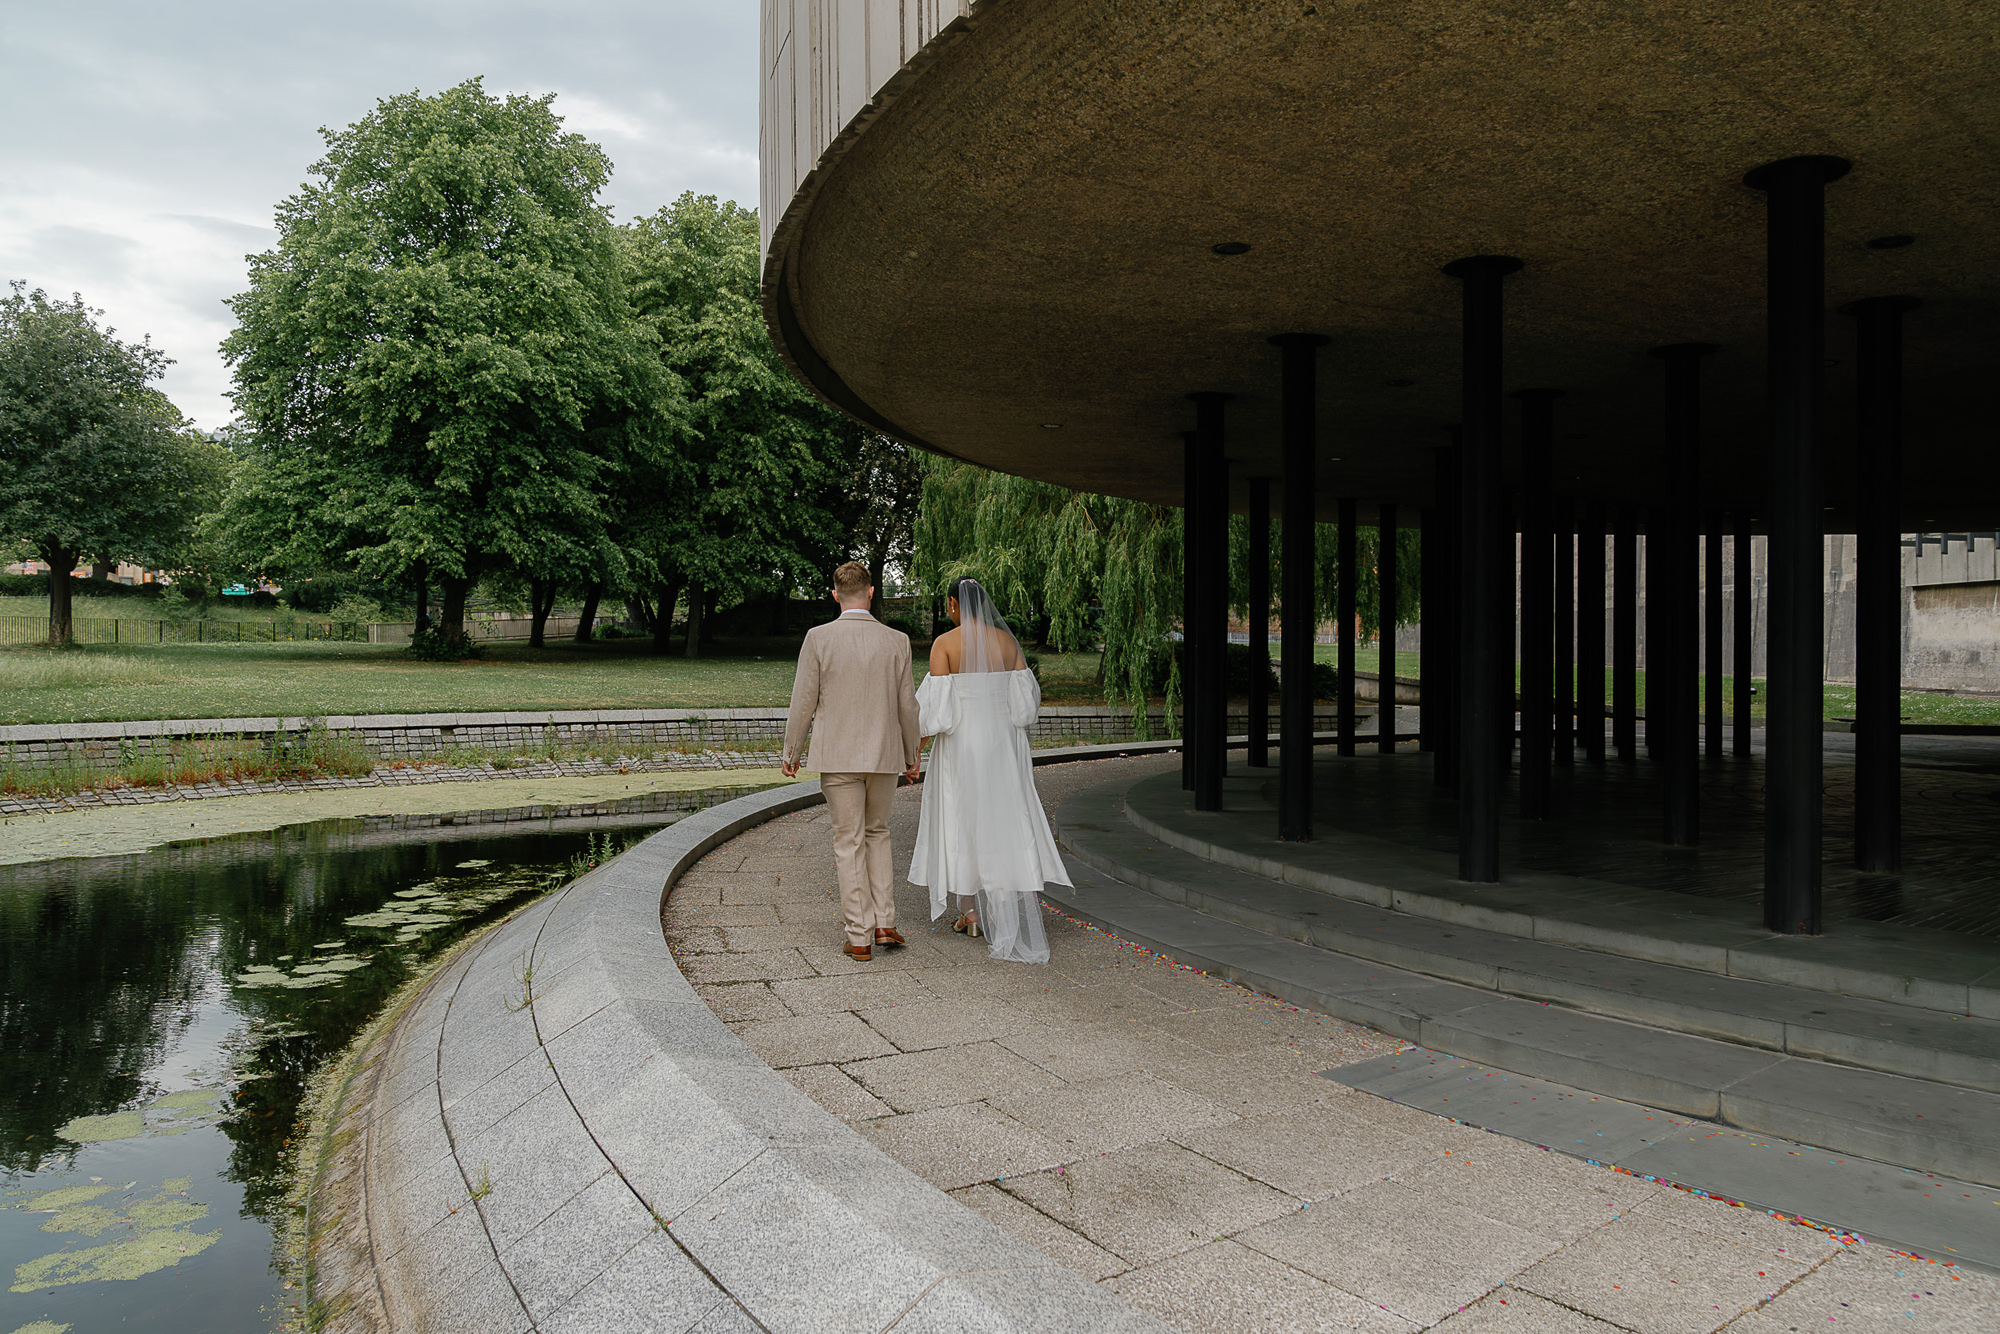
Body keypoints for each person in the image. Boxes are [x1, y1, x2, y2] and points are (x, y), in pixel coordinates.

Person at [909, 576, 1071, 964]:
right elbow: (1025, 708)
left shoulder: (944, 644)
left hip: (962, 745)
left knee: (962, 818)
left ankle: (969, 913)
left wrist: (915, 750)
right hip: (1002, 747)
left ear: (953, 604)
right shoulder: (1008, 643)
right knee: (1002, 819)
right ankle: (1001, 906)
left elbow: (937, 713)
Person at [782, 561, 921, 961]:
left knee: (849, 841)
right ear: (871, 592)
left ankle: (858, 935)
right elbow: (907, 706)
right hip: (884, 754)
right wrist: (912, 754)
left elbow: (803, 701)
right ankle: (885, 923)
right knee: (878, 832)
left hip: (838, 755)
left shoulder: (818, 638)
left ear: (835, 595)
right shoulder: (897, 641)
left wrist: (792, 751)